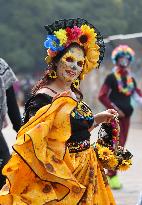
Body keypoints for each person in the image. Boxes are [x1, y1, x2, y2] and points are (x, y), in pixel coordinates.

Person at [0, 19, 132, 205]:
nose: (74, 67)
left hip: (89, 171)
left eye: (79, 63)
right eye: (69, 59)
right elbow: (34, 145)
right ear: (55, 61)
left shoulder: (74, 94)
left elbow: (74, 130)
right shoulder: (43, 98)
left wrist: (96, 119)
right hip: (62, 178)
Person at [98, 45, 142, 189]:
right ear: (116, 60)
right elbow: (102, 96)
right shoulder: (111, 77)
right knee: (113, 144)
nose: (124, 61)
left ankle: (112, 174)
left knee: (121, 145)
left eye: (126, 58)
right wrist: (116, 110)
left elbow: (137, 95)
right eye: (121, 58)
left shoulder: (130, 79)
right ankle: (111, 175)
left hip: (127, 119)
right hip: (114, 118)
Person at [0, 58, 21, 189]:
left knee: (5, 175)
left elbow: (12, 106)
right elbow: (13, 107)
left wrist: (24, 132)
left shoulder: (1, 67)